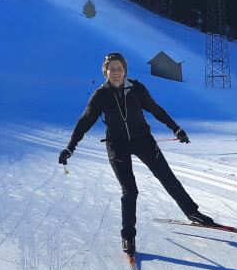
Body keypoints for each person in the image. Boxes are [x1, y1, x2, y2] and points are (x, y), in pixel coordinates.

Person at [59, 52, 215, 256]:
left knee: (167, 178)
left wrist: (176, 129)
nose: (116, 72)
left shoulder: (136, 89)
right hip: (117, 145)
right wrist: (70, 146)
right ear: (105, 72)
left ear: (125, 70)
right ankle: (128, 236)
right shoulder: (101, 95)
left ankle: (192, 213)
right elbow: (85, 120)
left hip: (143, 140)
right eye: (111, 69)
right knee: (129, 191)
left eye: (119, 68)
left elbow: (155, 109)